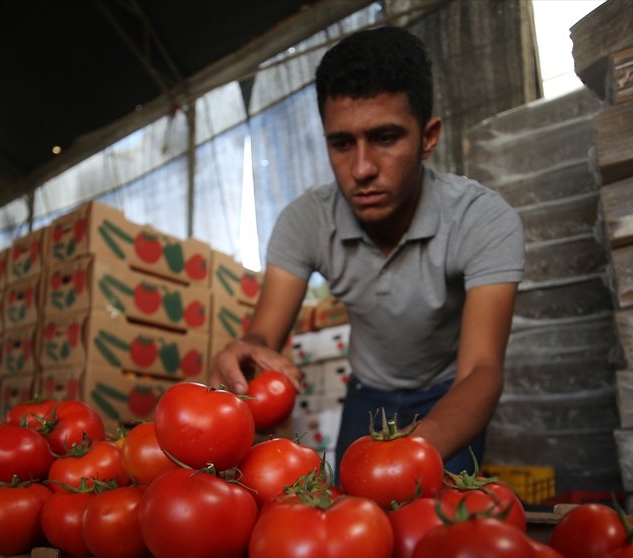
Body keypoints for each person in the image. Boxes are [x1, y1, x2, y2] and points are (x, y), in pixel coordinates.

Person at [209, 26, 524, 476]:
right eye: (341, 144)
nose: (361, 169)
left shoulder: (483, 219)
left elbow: (481, 369)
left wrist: (409, 454)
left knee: (436, 536)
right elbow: (264, 337)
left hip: (450, 394)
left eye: (385, 138)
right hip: (365, 395)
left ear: (428, 138)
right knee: (355, 526)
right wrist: (246, 351)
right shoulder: (305, 221)